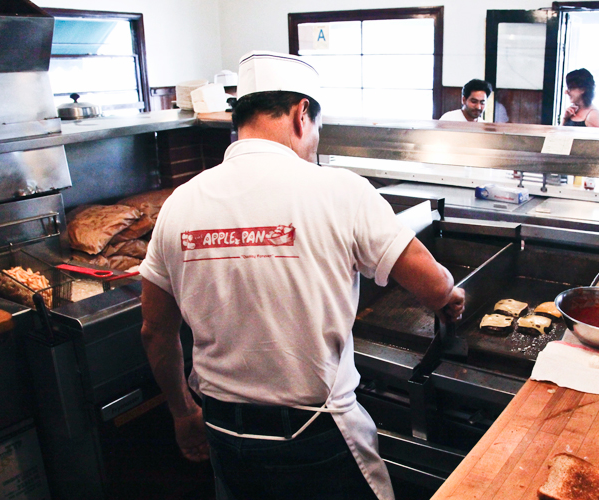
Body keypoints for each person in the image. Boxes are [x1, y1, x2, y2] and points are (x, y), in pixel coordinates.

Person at [138, 50, 465, 500]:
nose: (314, 145)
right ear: (301, 114)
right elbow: (433, 284)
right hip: (314, 434)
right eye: (316, 131)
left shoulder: (180, 203)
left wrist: (181, 412)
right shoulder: (339, 189)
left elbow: (155, 331)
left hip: (223, 434)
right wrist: (450, 296)